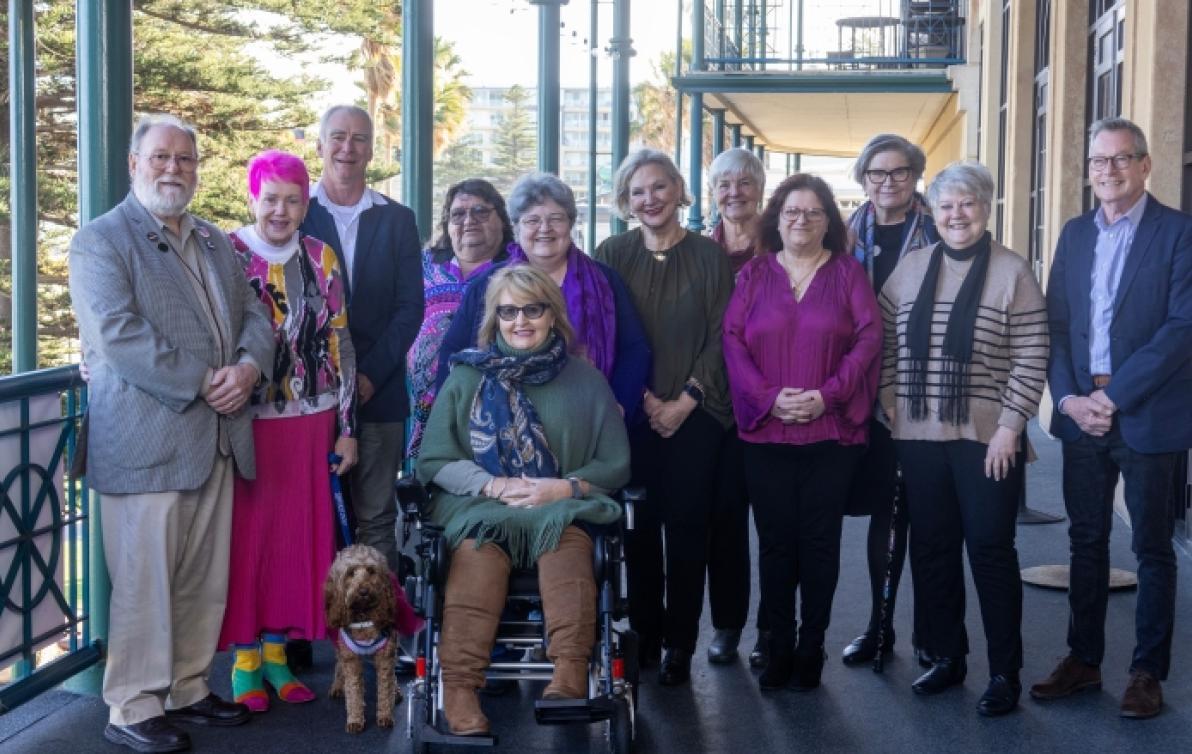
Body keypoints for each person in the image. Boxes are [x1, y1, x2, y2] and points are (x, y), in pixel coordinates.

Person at [68, 114, 274, 752]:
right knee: (143, 579)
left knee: (199, 578)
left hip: (215, 437)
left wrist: (247, 366)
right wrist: (207, 380)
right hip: (145, 439)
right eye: (161, 157)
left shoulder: (215, 240)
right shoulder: (100, 241)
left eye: (185, 159)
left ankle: (185, 687)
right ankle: (131, 705)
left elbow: (254, 315)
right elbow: (117, 335)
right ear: (134, 164)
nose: (173, 169)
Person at [416, 265, 631, 736]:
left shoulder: (586, 381)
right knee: (475, 554)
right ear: (495, 319)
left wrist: (565, 487)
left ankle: (571, 672)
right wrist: (491, 485)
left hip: (560, 506)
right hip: (483, 507)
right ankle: (459, 691)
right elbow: (432, 460)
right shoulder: (467, 377)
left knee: (567, 546)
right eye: (508, 311)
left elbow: (615, 464)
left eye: (532, 309)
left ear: (552, 315)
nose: (521, 321)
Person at [1031, 117, 1192, 720]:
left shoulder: (1179, 233)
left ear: (1145, 165)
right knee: (1085, 540)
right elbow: (1056, 323)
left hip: (1147, 414)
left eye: (1121, 159)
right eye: (1099, 161)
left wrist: (1114, 397)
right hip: (1081, 413)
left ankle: (1147, 672)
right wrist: (1070, 399)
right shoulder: (1074, 234)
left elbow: (1182, 327)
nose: (1109, 171)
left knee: (1152, 547)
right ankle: (1083, 659)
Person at [878, 161, 1048, 716]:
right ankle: (948, 659)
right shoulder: (910, 269)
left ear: (986, 207)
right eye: (947, 205)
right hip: (918, 435)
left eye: (968, 204)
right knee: (933, 552)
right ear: (934, 211)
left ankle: (1005, 673)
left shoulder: (1011, 271)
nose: (957, 215)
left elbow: (1031, 353)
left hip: (986, 439)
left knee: (991, 552)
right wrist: (886, 399)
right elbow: (878, 337)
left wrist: (1010, 426)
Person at [724, 173, 881, 691]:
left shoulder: (847, 274)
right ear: (777, 217)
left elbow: (868, 338)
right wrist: (770, 398)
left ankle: (811, 646)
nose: (801, 220)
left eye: (813, 212)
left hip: (829, 433)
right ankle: (778, 645)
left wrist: (827, 395)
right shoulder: (753, 275)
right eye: (792, 211)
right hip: (766, 433)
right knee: (774, 544)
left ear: (828, 222)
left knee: (819, 544)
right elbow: (732, 341)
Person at [216, 149, 358, 712]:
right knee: (247, 541)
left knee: (294, 542)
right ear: (253, 198)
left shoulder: (321, 256)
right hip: (246, 422)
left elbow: (340, 343)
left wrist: (347, 429)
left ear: (306, 205)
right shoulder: (224, 253)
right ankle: (245, 664)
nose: (281, 209)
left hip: (311, 423)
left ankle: (278, 655)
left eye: (293, 199)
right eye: (270, 197)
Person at [595, 149, 735, 686]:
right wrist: (646, 401)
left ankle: (681, 643)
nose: (649, 198)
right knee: (637, 528)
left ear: (679, 189)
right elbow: (605, 337)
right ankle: (644, 637)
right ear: (626, 201)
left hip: (697, 414)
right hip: (632, 415)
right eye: (637, 191)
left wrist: (683, 401)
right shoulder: (611, 254)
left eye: (659, 186)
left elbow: (724, 336)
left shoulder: (709, 256)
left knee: (687, 529)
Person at [300, 105, 423, 573]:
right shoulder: (297, 212)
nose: (347, 148)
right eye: (337, 137)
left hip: (380, 392)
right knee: (314, 519)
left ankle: (374, 635)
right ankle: (311, 635)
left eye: (358, 138)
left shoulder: (397, 220)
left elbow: (410, 308)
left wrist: (368, 376)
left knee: (375, 518)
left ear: (373, 149)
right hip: (309, 396)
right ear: (319, 146)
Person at [435, 172, 649, 421]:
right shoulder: (488, 285)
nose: (544, 229)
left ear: (570, 224)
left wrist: (618, 405)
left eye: (556, 218)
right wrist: (449, 417)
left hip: (588, 420)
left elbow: (635, 348)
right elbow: (454, 350)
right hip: (501, 423)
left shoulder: (606, 281)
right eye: (532, 220)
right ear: (515, 228)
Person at [841, 133, 939, 667]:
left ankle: (931, 633)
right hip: (868, 392)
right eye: (876, 174)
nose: (887, 183)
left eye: (898, 172)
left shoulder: (937, 228)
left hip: (928, 392)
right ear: (863, 179)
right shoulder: (847, 233)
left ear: (915, 176)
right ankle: (879, 629)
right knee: (887, 513)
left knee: (929, 517)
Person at [704, 147, 769, 667]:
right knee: (724, 521)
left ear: (760, 188)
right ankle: (728, 624)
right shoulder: (702, 252)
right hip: (718, 409)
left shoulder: (783, 245)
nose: (734, 192)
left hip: (774, 406)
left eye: (744, 182)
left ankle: (773, 630)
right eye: (724, 184)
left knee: (777, 524)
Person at [407, 179, 512, 459]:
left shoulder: (515, 271)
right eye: (458, 214)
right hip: (418, 401)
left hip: (489, 401)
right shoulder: (423, 265)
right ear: (447, 223)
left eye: (481, 211)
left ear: (502, 220)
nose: (469, 220)